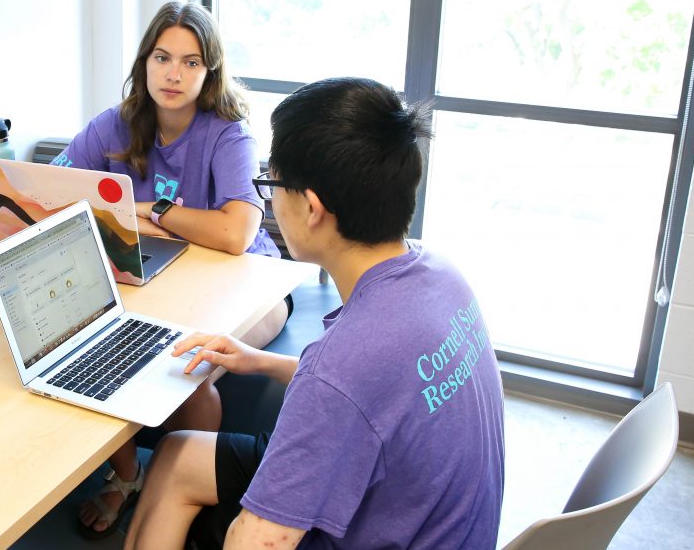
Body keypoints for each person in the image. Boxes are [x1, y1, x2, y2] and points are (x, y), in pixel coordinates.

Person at [125, 78, 505, 549]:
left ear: (312, 207)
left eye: (272, 183)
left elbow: (258, 541)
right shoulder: (441, 276)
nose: (270, 201)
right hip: (431, 520)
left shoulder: (342, 367)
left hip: (380, 529)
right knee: (178, 453)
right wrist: (257, 360)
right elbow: (378, 396)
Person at [47, 1, 290, 537]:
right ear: (145, 62)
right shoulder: (113, 126)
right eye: (162, 57)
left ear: (210, 72)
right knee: (88, 346)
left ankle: (184, 494)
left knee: (188, 372)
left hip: (250, 281)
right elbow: (52, 190)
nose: (174, 74)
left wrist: (148, 210)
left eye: (190, 61)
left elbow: (236, 234)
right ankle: (129, 475)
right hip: (155, 273)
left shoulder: (229, 135)